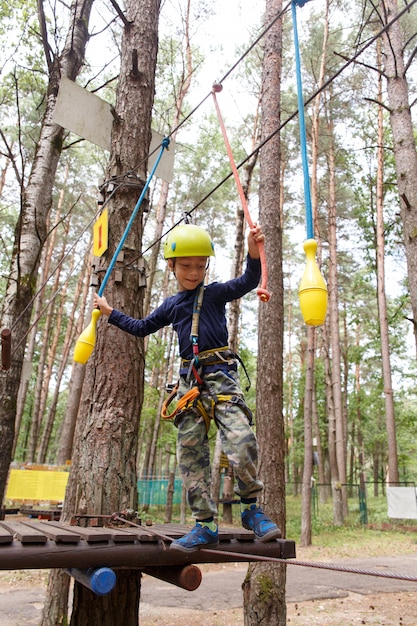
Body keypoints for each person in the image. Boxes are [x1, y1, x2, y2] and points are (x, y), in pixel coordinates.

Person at [94, 222, 281, 552]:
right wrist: (111, 313)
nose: (193, 272)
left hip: (221, 377)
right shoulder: (171, 305)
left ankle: (252, 509)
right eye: (185, 265)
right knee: (191, 452)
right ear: (171, 266)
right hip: (190, 385)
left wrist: (254, 253)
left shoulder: (216, 294)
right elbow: (141, 327)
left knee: (241, 441)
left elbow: (248, 281)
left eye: (199, 265)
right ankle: (204, 524)